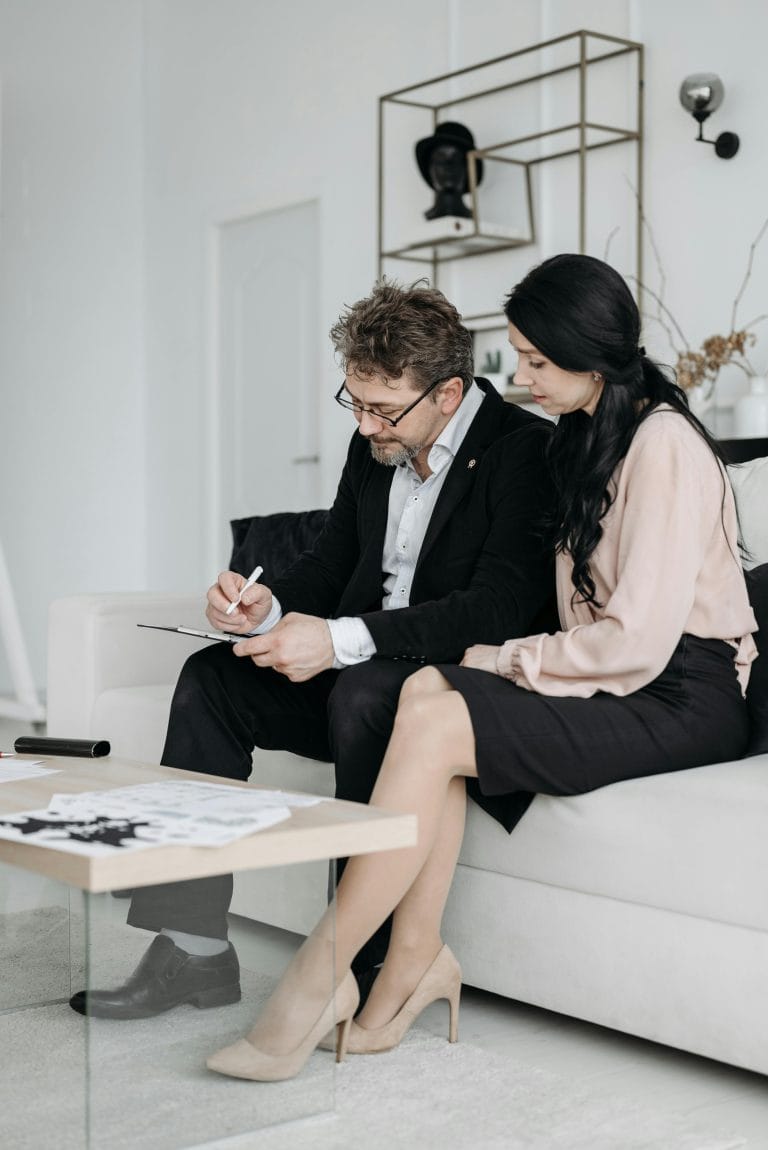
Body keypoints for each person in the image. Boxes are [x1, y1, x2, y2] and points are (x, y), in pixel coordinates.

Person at [205, 252, 757, 1083]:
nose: (521, 377)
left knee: (439, 692)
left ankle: (320, 976)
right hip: (620, 674)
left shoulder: (666, 444)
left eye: (536, 361)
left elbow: (636, 641)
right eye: (520, 356)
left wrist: (505, 658)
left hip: (685, 691)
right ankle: (413, 958)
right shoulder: (582, 437)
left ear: (591, 356)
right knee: (429, 696)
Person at [70, 279, 555, 1020]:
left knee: (364, 694)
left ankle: (354, 964)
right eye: (353, 404)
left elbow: (496, 607)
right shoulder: (377, 444)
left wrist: (336, 641)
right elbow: (332, 564)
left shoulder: (526, 451)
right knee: (212, 677)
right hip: (360, 660)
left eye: (381, 409)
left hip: (444, 684)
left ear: (449, 393)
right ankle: (193, 950)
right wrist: (269, 606)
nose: (364, 427)